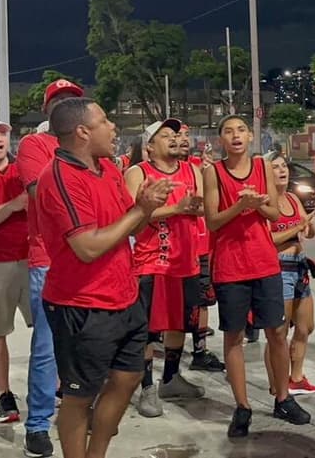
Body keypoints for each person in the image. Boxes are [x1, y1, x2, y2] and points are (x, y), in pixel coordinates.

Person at [38, 97, 173, 458]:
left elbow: (126, 225)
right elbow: (87, 247)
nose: (113, 127)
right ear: (82, 131)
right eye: (105, 121)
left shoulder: (108, 169)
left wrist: (148, 207)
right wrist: (141, 210)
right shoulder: (60, 177)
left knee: (128, 378)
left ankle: (95, 452)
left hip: (124, 296)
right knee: (79, 396)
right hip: (81, 304)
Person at [202, 114, 311, 437]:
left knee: (277, 332)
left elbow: (274, 213)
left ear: (251, 136)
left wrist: (258, 205)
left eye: (241, 130)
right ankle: (242, 406)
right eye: (228, 131)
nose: (235, 136)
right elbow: (212, 221)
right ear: (220, 139)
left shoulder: (263, 167)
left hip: (264, 263)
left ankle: (282, 396)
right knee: (234, 337)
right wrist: (240, 205)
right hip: (230, 266)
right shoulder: (213, 172)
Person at [15, 78, 84, 458]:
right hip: (49, 258)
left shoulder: (90, 145)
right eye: (58, 101)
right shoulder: (34, 145)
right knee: (46, 347)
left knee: (83, 343)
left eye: (72, 100)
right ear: (47, 109)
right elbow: (44, 197)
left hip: (89, 257)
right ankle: (38, 424)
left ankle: (74, 410)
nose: (64, 105)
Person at [125, 119, 208, 418]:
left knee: (180, 324)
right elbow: (133, 219)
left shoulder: (193, 170)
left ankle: (170, 379)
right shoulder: (138, 173)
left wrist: (199, 207)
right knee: (148, 330)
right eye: (165, 136)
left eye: (175, 134)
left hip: (186, 261)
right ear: (149, 146)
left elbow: (202, 208)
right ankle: (146, 387)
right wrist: (176, 208)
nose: (173, 139)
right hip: (151, 263)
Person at [0, 116, 30, 425]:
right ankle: (4, 394)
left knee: (51, 326)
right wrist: (11, 206)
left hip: (36, 259)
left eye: (3, 132)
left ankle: (56, 384)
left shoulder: (23, 170)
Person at [264, 152, 315, 396]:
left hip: (299, 266)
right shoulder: (266, 202)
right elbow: (267, 239)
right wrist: (296, 227)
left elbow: (307, 233)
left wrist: (308, 227)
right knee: (279, 331)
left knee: (306, 326)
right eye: (275, 167)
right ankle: (277, 384)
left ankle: (296, 377)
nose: (281, 170)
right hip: (279, 268)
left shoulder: (293, 199)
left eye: (283, 166)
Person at [175, 124, 224, 372]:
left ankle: (199, 350)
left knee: (202, 302)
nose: (183, 139)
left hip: (201, 245)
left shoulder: (197, 169)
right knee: (173, 308)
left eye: (185, 135)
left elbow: (207, 206)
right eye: (177, 135)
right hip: (174, 250)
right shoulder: (148, 171)